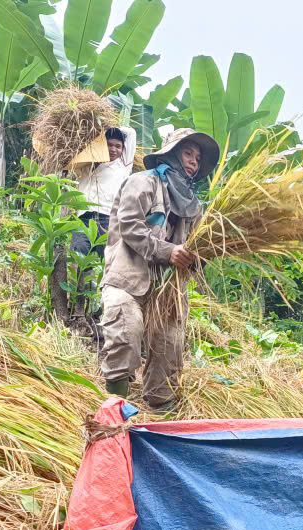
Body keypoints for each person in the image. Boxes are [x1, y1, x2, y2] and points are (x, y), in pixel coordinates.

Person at [98, 128, 219, 412]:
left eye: (197, 158)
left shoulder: (193, 205)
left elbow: (194, 246)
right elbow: (130, 226)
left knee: (169, 344)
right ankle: (116, 412)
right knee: (125, 335)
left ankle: (160, 411)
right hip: (128, 278)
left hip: (167, 288)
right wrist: (169, 252)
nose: (193, 161)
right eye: (187, 153)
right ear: (172, 153)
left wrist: (203, 255)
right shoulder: (143, 182)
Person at [70, 126, 137, 258]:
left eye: (118, 146)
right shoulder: (86, 165)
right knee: (78, 255)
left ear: (123, 149)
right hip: (83, 218)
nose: (113, 149)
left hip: (107, 218)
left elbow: (131, 132)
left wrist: (104, 126)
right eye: (109, 145)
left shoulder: (123, 165)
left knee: (108, 259)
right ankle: (84, 280)